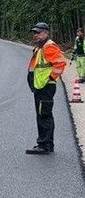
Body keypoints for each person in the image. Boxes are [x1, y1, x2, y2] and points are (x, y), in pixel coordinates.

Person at [25, 22, 67, 155]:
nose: (35, 35)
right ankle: (46, 143)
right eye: (34, 32)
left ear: (46, 32)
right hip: (40, 85)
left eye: (38, 32)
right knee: (42, 114)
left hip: (45, 86)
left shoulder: (49, 46)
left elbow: (60, 63)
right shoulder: (40, 48)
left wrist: (51, 78)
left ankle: (44, 144)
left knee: (44, 115)